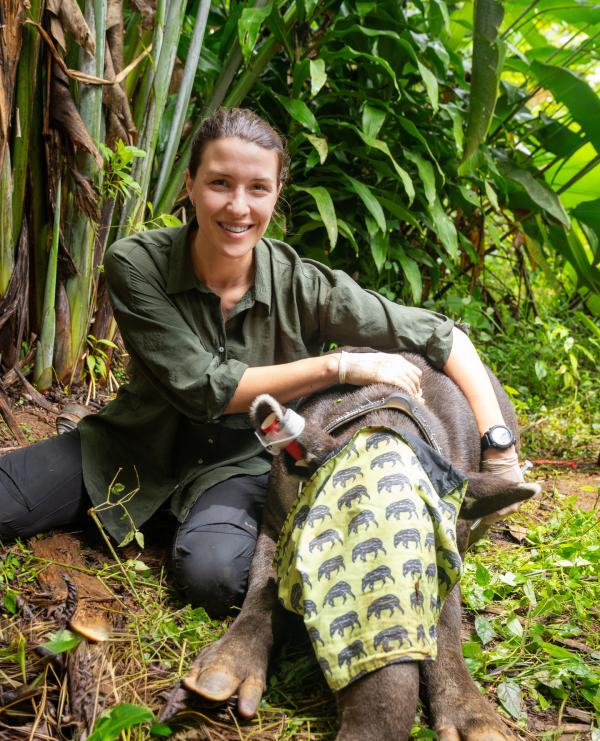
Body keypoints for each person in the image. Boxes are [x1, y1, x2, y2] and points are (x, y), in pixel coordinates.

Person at [0, 108, 524, 617]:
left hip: (240, 466)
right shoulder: (137, 263)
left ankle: (197, 530)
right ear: (189, 185)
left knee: (216, 580)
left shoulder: (304, 284)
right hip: (125, 451)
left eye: (258, 188)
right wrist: (339, 367)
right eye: (220, 183)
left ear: (276, 194)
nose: (238, 207)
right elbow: (202, 386)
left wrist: (497, 447)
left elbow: (441, 335)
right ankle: (144, 516)